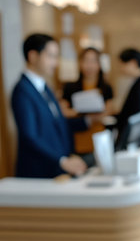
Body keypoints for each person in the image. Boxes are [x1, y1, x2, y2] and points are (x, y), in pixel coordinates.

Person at [11, 33, 88, 178]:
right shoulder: (22, 91)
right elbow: (30, 136)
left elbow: (58, 124)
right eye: (51, 56)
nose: (55, 63)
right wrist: (62, 161)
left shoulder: (45, 87)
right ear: (33, 56)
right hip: (38, 173)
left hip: (56, 170)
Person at [61, 47, 114, 163]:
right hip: (77, 139)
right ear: (80, 63)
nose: (89, 65)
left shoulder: (106, 88)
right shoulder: (70, 87)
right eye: (86, 61)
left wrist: (95, 117)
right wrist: (79, 112)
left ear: (99, 64)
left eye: (93, 61)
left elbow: (109, 110)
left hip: (99, 138)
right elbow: (63, 112)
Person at [115, 48, 140, 147]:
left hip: (131, 140)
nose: (121, 69)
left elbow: (139, 116)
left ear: (133, 63)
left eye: (123, 65)